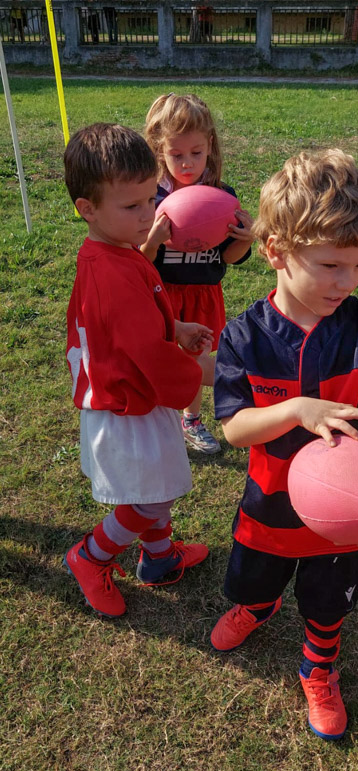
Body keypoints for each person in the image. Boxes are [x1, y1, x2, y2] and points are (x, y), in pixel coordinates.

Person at [211, 149, 358, 741]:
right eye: (331, 265)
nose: (347, 282)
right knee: (253, 581)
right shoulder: (244, 336)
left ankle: (318, 665)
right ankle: (257, 608)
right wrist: (297, 409)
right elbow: (233, 428)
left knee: (328, 601)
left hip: (343, 516)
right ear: (275, 251)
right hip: (269, 501)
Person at [63, 123, 215, 618]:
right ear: (87, 208)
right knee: (149, 499)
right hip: (125, 404)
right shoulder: (110, 271)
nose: (148, 215)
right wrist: (205, 373)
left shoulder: (117, 250)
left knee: (158, 486)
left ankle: (159, 558)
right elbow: (146, 353)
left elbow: (140, 322)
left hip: (135, 397)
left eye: (152, 199)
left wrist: (176, 323)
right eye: (132, 207)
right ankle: (91, 557)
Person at [141, 93, 254, 455]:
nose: (187, 163)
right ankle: (156, 418)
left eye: (196, 152)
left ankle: (191, 420)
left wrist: (245, 237)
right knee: (157, 358)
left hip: (203, 293)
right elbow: (138, 262)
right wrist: (154, 241)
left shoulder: (221, 196)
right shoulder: (148, 199)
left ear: (210, 147)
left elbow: (233, 258)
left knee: (193, 359)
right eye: (176, 155)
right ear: (160, 151)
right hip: (161, 293)